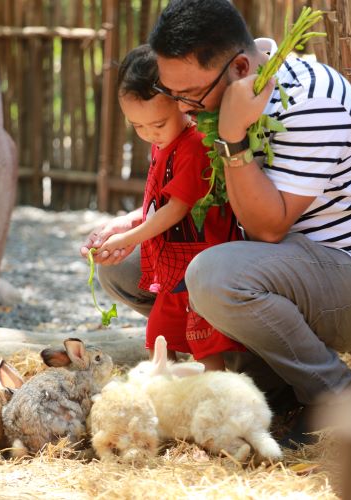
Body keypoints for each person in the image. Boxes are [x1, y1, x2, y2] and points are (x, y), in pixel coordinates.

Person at [81, 0, 351, 446]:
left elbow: (267, 229)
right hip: (286, 268)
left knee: (212, 276)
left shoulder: (308, 99)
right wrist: (128, 226)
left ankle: (334, 395)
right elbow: (200, 202)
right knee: (126, 268)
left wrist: (232, 140)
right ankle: (265, 382)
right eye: (173, 93)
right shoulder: (233, 91)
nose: (183, 109)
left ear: (240, 67)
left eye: (190, 96)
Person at [97, 44, 246, 371]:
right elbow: (157, 202)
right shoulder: (163, 142)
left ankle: (218, 399)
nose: (150, 134)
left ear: (181, 103)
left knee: (204, 341)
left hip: (199, 262)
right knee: (158, 336)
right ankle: (162, 392)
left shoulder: (193, 147)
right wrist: (124, 224)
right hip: (173, 266)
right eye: (137, 126)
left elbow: (175, 210)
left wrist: (127, 239)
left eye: (158, 124)